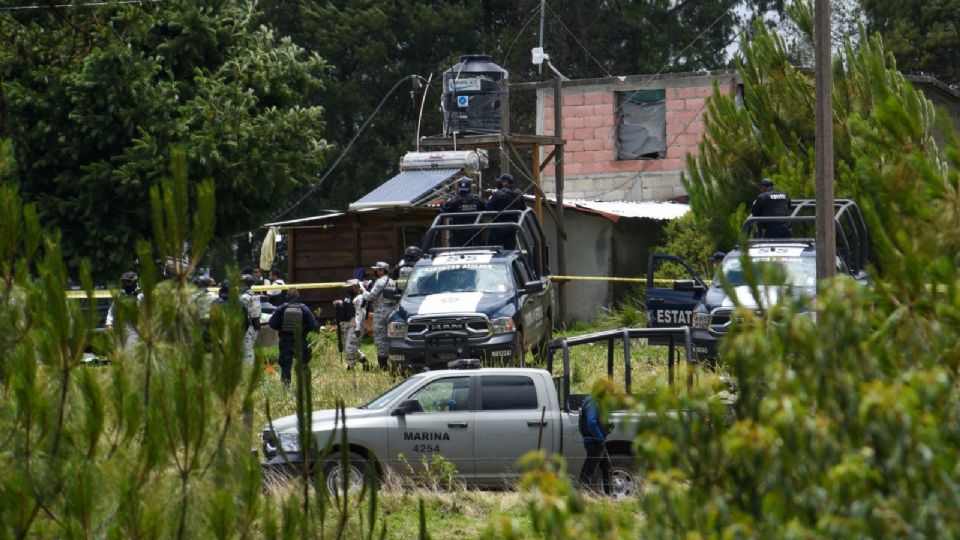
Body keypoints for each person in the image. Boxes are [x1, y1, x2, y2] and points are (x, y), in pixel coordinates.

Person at [268, 288, 318, 386]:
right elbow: (313, 326)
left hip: (285, 341)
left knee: (285, 366)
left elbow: (272, 324)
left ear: (286, 297)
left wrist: (281, 326)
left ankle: (286, 387)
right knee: (303, 365)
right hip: (300, 341)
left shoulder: (281, 309)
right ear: (298, 297)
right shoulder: (304, 309)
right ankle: (304, 386)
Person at [363, 261, 398, 370]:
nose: (377, 271)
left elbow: (370, 296)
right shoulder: (392, 281)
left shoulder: (379, 282)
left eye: (378, 269)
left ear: (383, 270)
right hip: (391, 312)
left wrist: (363, 291)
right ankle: (394, 365)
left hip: (380, 312)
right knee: (391, 338)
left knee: (380, 338)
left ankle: (383, 367)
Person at [578, 395, 613, 495]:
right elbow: (592, 422)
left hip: (596, 442)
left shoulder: (593, 401)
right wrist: (600, 437)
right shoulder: (593, 403)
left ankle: (609, 496)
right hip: (595, 442)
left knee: (607, 468)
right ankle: (582, 498)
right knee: (588, 472)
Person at [333, 279, 368, 370]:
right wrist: (339, 303)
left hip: (355, 325)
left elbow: (360, 314)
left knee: (350, 347)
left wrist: (357, 328)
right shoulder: (349, 296)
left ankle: (351, 367)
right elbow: (347, 305)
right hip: (347, 325)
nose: (348, 288)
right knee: (347, 347)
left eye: (350, 286)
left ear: (355, 287)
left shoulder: (360, 298)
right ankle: (364, 360)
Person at [440, 177, 486, 246]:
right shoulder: (478, 199)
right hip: (475, 234)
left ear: (459, 189)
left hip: (459, 235)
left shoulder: (454, 201)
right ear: (470, 188)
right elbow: (488, 207)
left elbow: (443, 210)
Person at [105, 271, 144, 349]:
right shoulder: (120, 296)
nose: (126, 284)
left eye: (128, 281)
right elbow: (112, 310)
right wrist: (109, 323)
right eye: (124, 281)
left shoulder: (142, 296)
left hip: (137, 329)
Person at [487, 173, 526, 250]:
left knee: (494, 252)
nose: (499, 183)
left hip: (498, 228)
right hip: (512, 227)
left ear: (506, 182)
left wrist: (490, 200)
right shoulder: (519, 193)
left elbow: (489, 209)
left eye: (501, 181)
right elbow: (523, 208)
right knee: (509, 251)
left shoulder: (498, 193)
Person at [239, 274, 262, 364]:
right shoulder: (254, 295)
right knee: (248, 349)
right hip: (255, 324)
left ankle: (249, 372)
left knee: (247, 351)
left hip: (248, 326)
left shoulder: (244, 297)